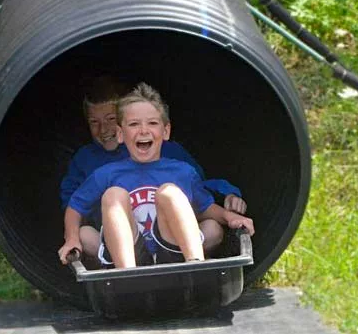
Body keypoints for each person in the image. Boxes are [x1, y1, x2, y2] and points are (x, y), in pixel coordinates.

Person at [58, 78, 248, 265]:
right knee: (112, 195)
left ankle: (195, 265)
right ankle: (127, 276)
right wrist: (71, 239)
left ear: (166, 131)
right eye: (133, 124)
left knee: (171, 193)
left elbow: (205, 206)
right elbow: (75, 206)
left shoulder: (182, 170)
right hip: (131, 249)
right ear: (121, 134)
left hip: (171, 246)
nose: (143, 131)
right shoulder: (106, 173)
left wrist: (229, 216)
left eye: (152, 123)